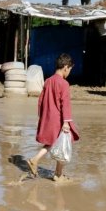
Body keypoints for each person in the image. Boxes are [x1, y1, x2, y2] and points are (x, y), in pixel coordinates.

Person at [26, 53, 79, 182]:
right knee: (62, 145)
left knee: (53, 143)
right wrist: (66, 121)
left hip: (49, 117)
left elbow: (41, 101)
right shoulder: (64, 84)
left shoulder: (48, 81)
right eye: (70, 69)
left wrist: (42, 116)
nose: (70, 72)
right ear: (66, 67)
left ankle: (56, 172)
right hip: (59, 119)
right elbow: (65, 104)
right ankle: (38, 162)